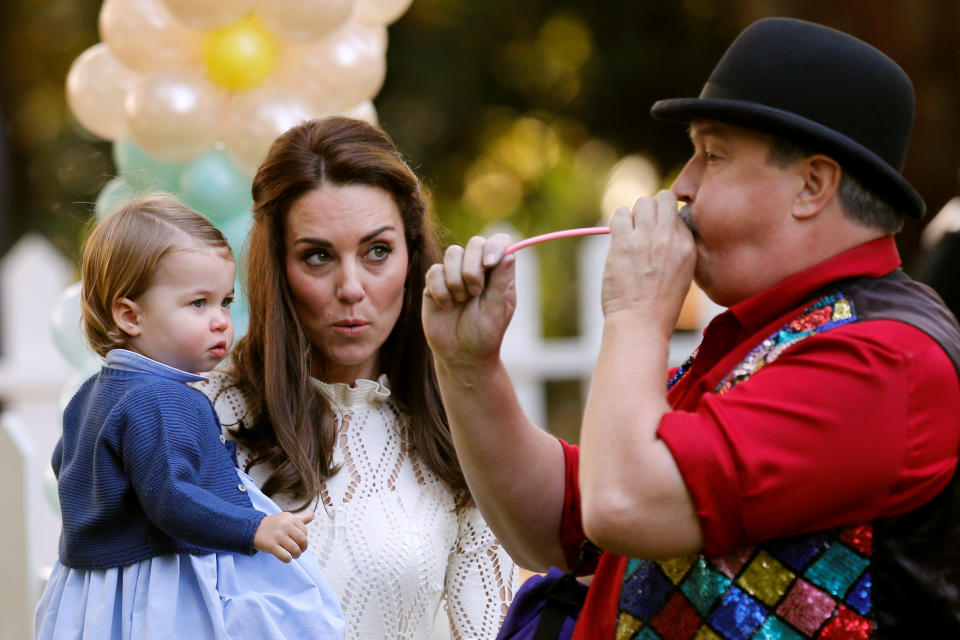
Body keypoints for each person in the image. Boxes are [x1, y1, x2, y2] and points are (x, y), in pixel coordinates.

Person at [422, 17, 960, 637]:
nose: (682, 184)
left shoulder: (885, 357)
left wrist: (635, 311)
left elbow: (622, 503)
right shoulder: (771, 331)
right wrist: (469, 367)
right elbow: (567, 527)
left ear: (812, 185)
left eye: (713, 154)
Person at [194, 116, 518, 639]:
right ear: (278, 266)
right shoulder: (206, 418)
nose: (350, 287)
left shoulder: (453, 429)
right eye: (318, 256)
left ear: (412, 256)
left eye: (377, 251)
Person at [34, 196, 345, 639]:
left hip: (94, 582)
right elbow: (172, 499)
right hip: (156, 583)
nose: (221, 321)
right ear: (130, 315)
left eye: (226, 301)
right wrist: (254, 526)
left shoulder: (92, 393)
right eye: (198, 303)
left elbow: (65, 465)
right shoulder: (162, 400)